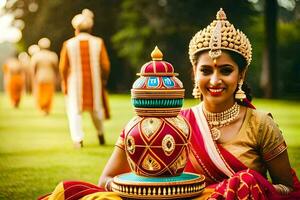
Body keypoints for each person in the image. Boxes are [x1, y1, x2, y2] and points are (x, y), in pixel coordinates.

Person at [39, 8, 300, 200]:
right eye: (206, 70)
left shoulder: (261, 124)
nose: (215, 80)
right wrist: (145, 190)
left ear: (241, 75)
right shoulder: (171, 121)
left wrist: (243, 188)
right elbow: (106, 180)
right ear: (194, 73)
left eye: (226, 70)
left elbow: (289, 189)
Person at [59, 9, 111, 148]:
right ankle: (100, 133)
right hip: (95, 82)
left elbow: (63, 67)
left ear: (75, 29)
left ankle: (78, 139)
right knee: (96, 110)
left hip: (74, 83)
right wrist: (104, 79)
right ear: (90, 28)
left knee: (74, 110)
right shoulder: (98, 42)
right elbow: (105, 65)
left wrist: (64, 82)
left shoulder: (68, 44)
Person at [30, 37, 58, 115]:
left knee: (40, 93)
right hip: (50, 76)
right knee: (49, 94)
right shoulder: (52, 55)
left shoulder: (36, 56)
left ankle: (42, 108)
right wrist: (57, 77)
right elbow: (55, 67)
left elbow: (34, 68)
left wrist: (34, 77)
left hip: (39, 77)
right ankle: (47, 109)